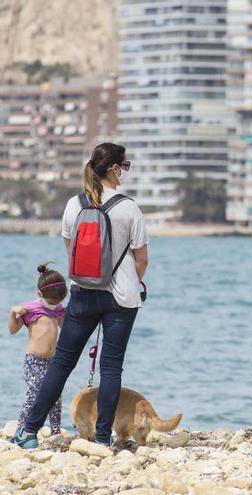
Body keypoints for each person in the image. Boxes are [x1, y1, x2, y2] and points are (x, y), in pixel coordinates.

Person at [11, 142, 149, 449]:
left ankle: (29, 431)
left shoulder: (75, 204)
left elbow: (70, 250)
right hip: (122, 299)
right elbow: (142, 259)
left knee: (61, 363)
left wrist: (90, 277)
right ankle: (101, 439)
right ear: (114, 169)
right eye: (124, 167)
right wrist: (129, 283)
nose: (124, 172)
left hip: (83, 293)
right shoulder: (129, 207)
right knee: (111, 367)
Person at [8, 263, 68, 436]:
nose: (54, 305)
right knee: (33, 396)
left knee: (55, 396)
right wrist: (13, 313)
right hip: (34, 361)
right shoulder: (30, 309)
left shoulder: (57, 309)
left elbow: (64, 326)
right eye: (51, 302)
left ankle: (55, 432)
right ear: (39, 294)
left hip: (53, 361)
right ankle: (21, 429)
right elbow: (12, 330)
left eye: (57, 302)